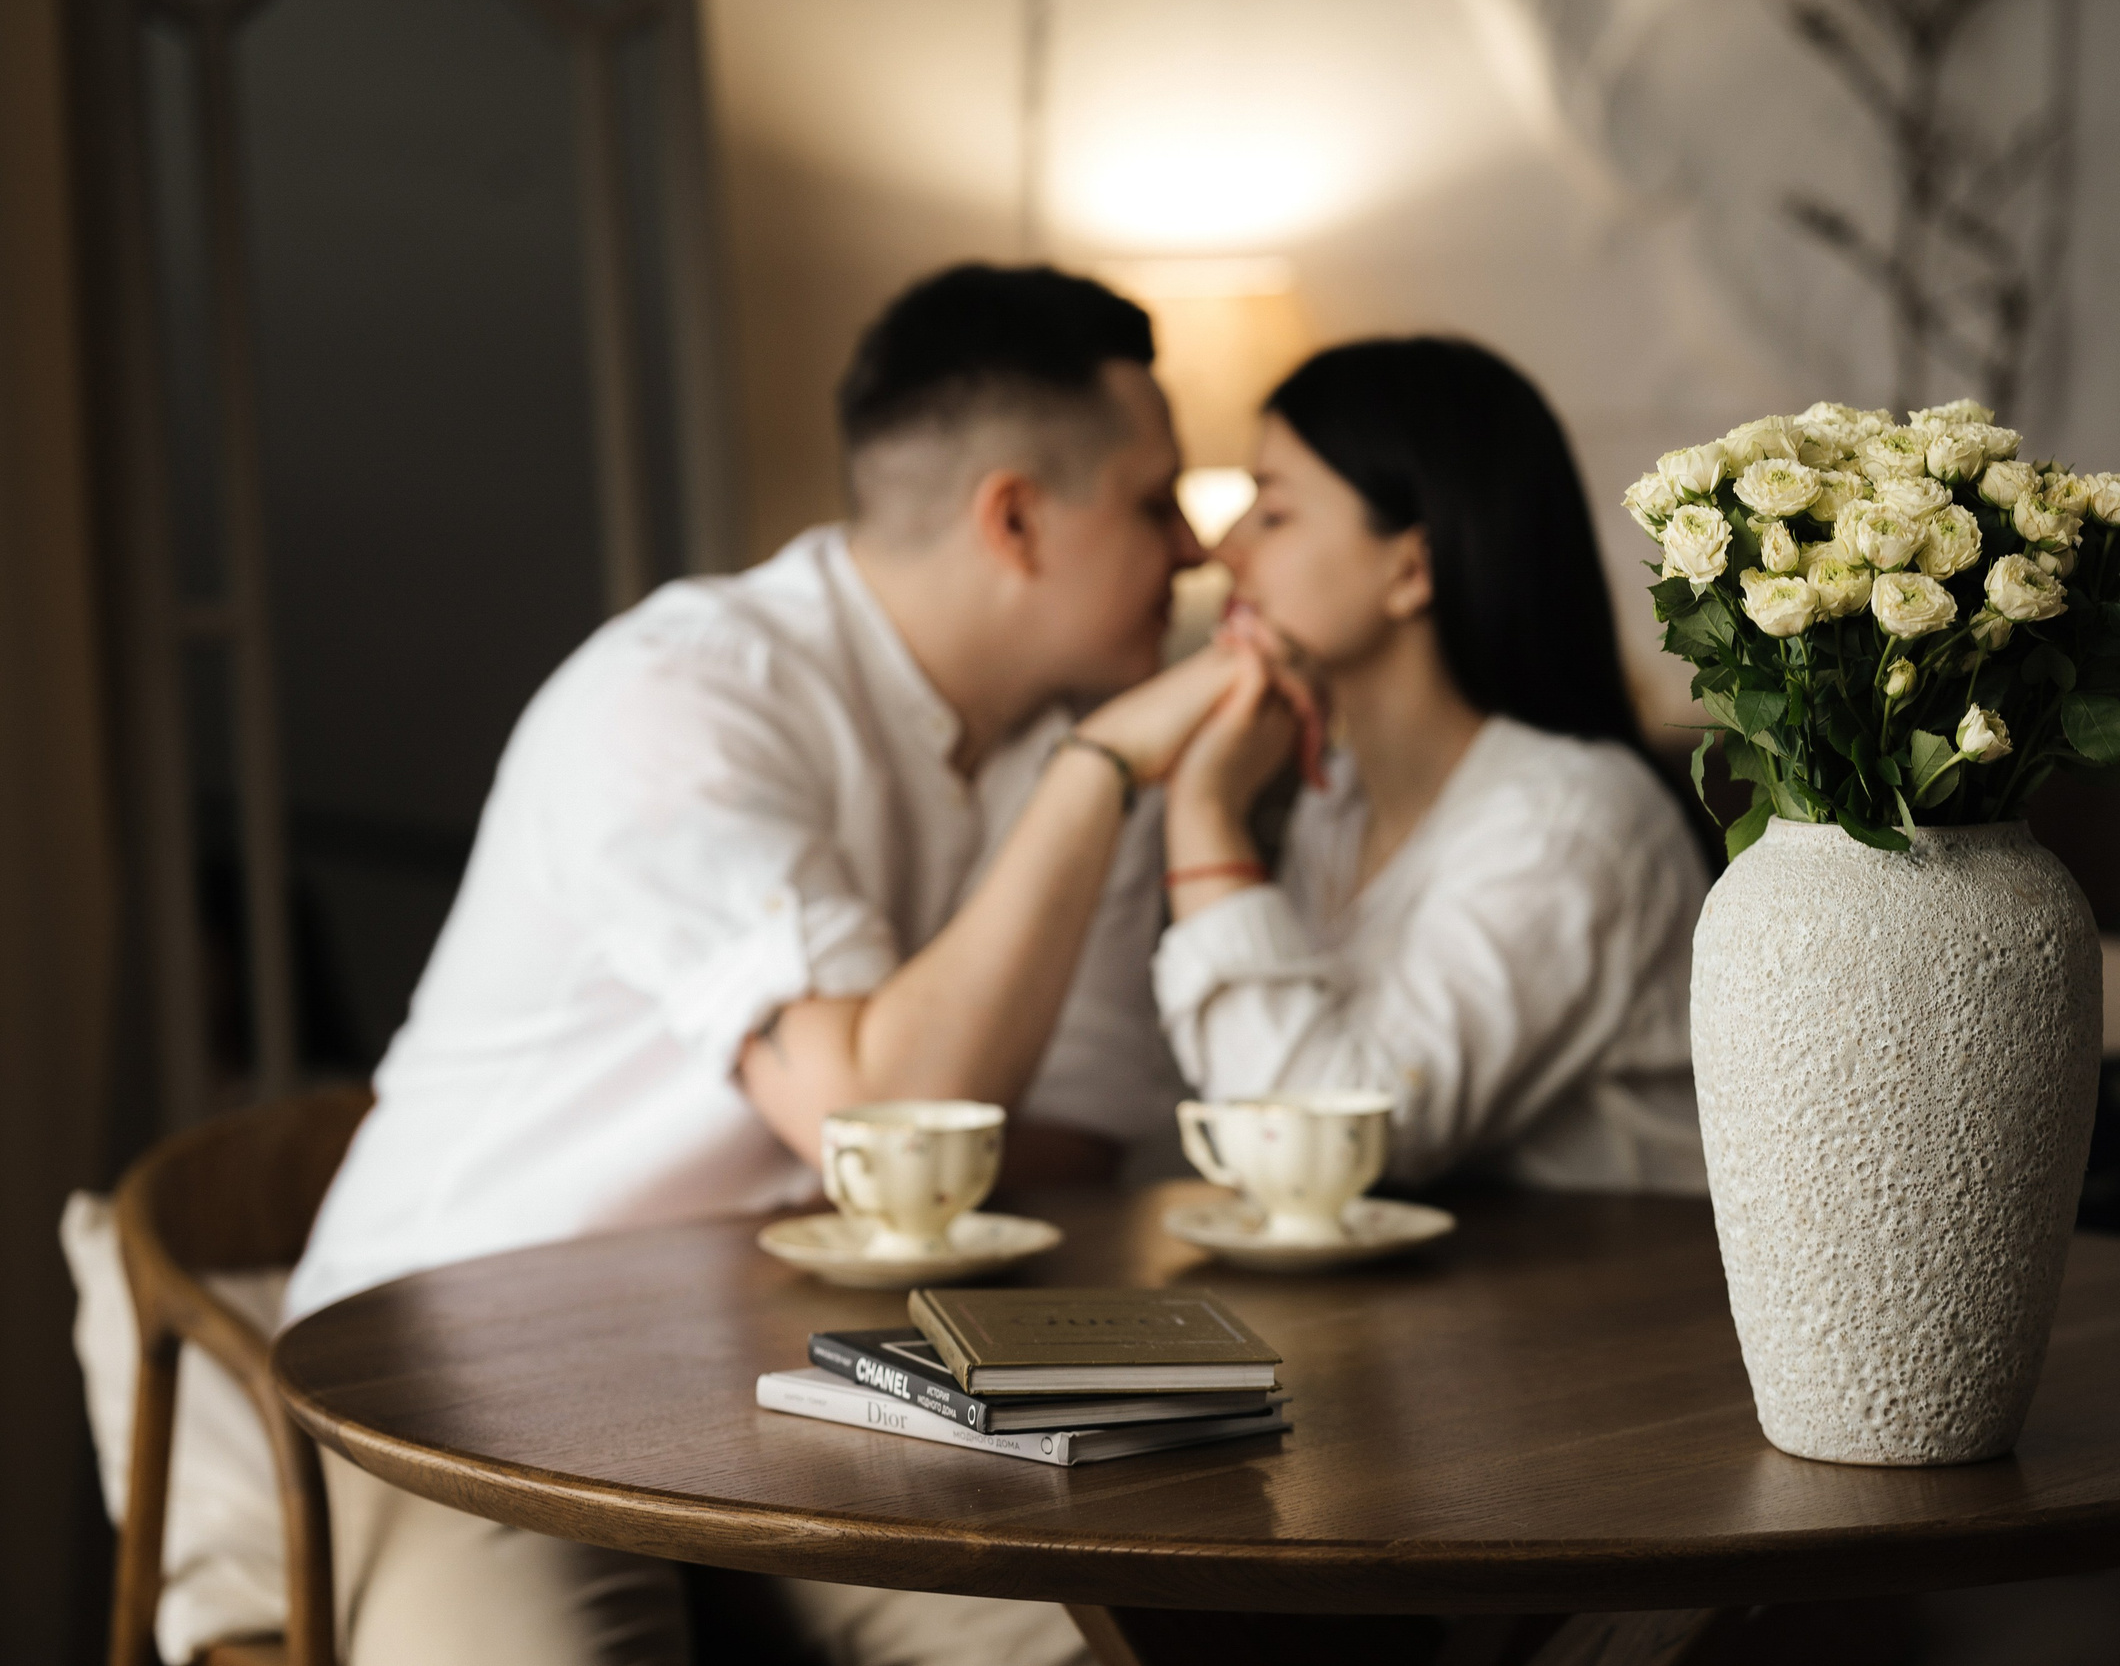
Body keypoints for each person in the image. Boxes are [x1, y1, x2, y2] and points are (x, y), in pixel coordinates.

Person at [285, 264, 1268, 1666]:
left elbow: (1065, 1149)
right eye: (1156, 500)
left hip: (799, 1377)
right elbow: (887, 1128)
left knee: (1095, 1644)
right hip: (459, 1376)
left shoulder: (1082, 744)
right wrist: (1098, 776)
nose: (1197, 552)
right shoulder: (683, 691)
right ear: (1014, 515)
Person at [1152, 338, 1710, 1192]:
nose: (1226, 551)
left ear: (1411, 567)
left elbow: (1324, 1151)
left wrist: (1203, 811)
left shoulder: (1571, 822)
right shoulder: (1335, 803)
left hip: (1618, 1311)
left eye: (1272, 513)